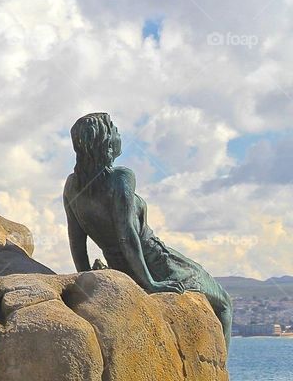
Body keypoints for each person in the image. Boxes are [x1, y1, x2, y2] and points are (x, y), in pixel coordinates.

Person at [63, 112, 233, 348]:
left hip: (120, 266)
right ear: (105, 141)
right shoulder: (120, 178)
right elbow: (127, 236)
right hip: (156, 261)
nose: (119, 135)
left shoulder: (72, 186)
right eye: (114, 130)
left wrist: (85, 280)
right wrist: (151, 283)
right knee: (224, 303)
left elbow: (77, 242)